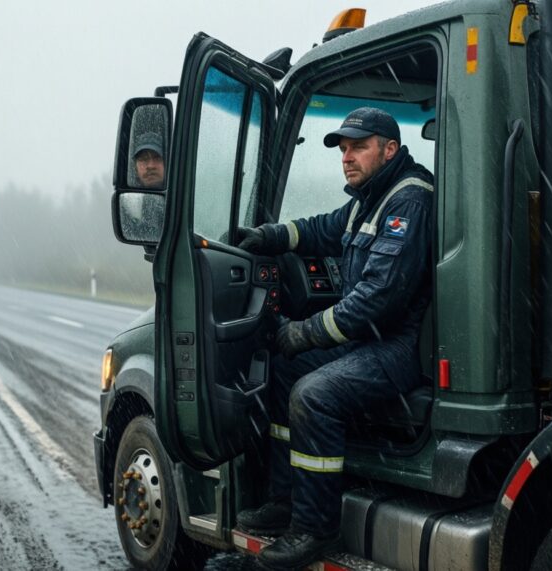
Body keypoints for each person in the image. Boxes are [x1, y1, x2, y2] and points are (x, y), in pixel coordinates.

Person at [234, 107, 434, 569]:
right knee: (284, 371)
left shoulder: (408, 200)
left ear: (389, 149)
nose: (347, 157)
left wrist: (302, 333)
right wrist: (266, 235)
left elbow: (376, 300)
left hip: (397, 348)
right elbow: (321, 229)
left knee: (314, 394)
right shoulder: (368, 199)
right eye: (343, 149)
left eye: (358, 146)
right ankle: (284, 500)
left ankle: (314, 529)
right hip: (370, 340)